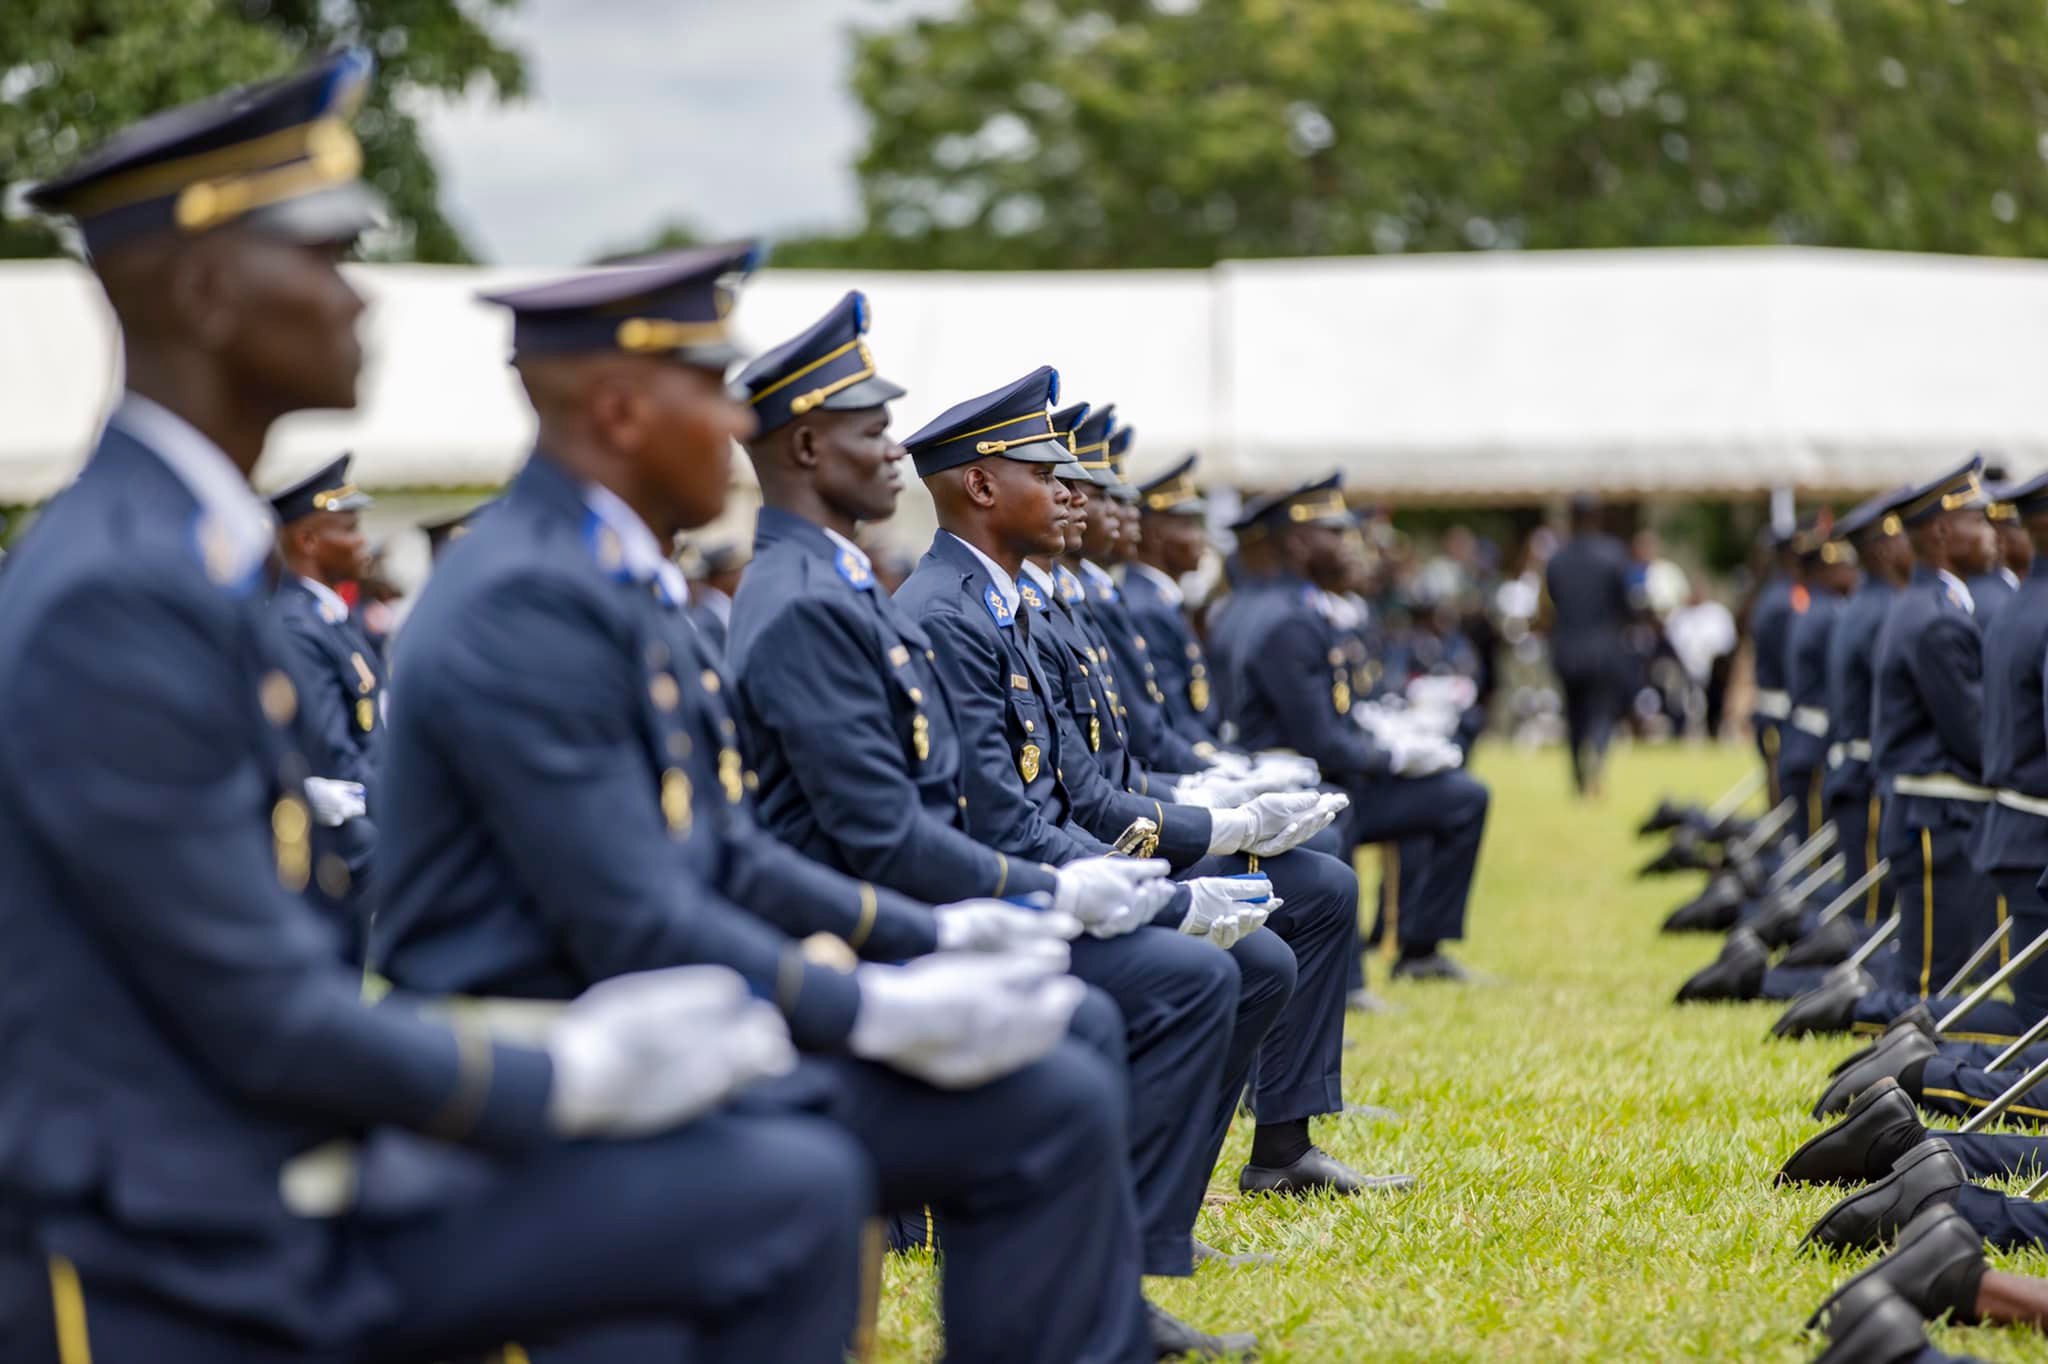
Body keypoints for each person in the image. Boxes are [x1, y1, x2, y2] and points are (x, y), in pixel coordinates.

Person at [3, 53, 869, 1362]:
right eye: (326, 259)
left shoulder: (187, 547)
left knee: (762, 1177)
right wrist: (564, 1078)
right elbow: (253, 1011)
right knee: (773, 1193)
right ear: (204, 291)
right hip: (177, 1225)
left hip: (258, 1153)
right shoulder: (121, 586)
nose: (364, 302)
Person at [371, 250, 1157, 1364]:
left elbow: (724, 849)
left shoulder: (607, 573)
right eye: (711, 386)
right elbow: (638, 913)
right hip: (567, 1048)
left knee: (1046, 1088)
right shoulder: (527, 593)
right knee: (989, 1116)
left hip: (673, 1014)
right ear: (618, 410)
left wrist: (938, 932)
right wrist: (868, 1008)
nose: (737, 417)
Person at [719, 294, 1267, 1353]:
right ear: (802, 444)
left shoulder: (834, 586)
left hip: (899, 913)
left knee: (1146, 995)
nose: (890, 451)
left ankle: (1093, 1300)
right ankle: (1096, 1302)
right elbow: (879, 833)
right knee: (1149, 994)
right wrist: (1039, 896)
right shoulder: (801, 597)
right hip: (853, 939)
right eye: (870, 431)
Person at [893, 371, 1401, 1208]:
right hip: (1015, 889)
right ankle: (1138, 1199)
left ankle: (1246, 1157)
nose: (1074, 500)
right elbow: (1014, 816)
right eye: (1050, 479)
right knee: (1244, 957)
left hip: (1076, 857)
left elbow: (1092, 782)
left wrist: (1222, 815)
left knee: (1310, 892)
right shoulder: (954, 612)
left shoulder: (1008, 601)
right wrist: (1171, 872)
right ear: (981, 485)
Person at [1774, 458, 2010, 1039]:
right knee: (1931, 989)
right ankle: (1827, 1001)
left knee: (1940, 972)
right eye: (1979, 522)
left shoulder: (1931, 605)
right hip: (1936, 819)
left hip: (1929, 812)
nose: (1992, 534)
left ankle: (1835, 996)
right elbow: (1974, 736)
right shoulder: (1932, 617)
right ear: (1943, 532)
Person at [1226, 474, 1492, 982]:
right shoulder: (1290, 619)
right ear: (1302, 542)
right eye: (1339, 535)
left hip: (1317, 773)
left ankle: (1419, 949)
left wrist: (1392, 741)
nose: (1354, 548)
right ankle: (1348, 980)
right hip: (1297, 782)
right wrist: (1393, 758)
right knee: (1373, 809)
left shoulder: (1299, 609)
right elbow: (1321, 742)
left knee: (1461, 795)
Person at [1122, 454, 1223, 745]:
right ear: (1154, 535)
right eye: (1189, 525)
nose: (1201, 539)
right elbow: (1173, 717)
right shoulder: (1146, 608)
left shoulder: (1162, 601)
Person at [1543, 494, 1634, 796]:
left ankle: (1578, 773)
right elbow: (1626, 603)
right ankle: (1597, 756)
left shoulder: (1557, 558)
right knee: (1601, 711)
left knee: (1573, 713)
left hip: (1567, 647)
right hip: (1604, 648)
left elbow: (1550, 604)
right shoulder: (1613, 554)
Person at [1779, 524, 1860, 845]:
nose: (1853, 574)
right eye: (1846, 566)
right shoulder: (1829, 615)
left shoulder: (1815, 609)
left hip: (1803, 739)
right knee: (1812, 853)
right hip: (1814, 743)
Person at [1748, 527, 1803, 807]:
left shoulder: (1778, 594)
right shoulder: (1785, 601)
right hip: (1780, 709)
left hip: (1777, 708)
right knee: (1785, 799)